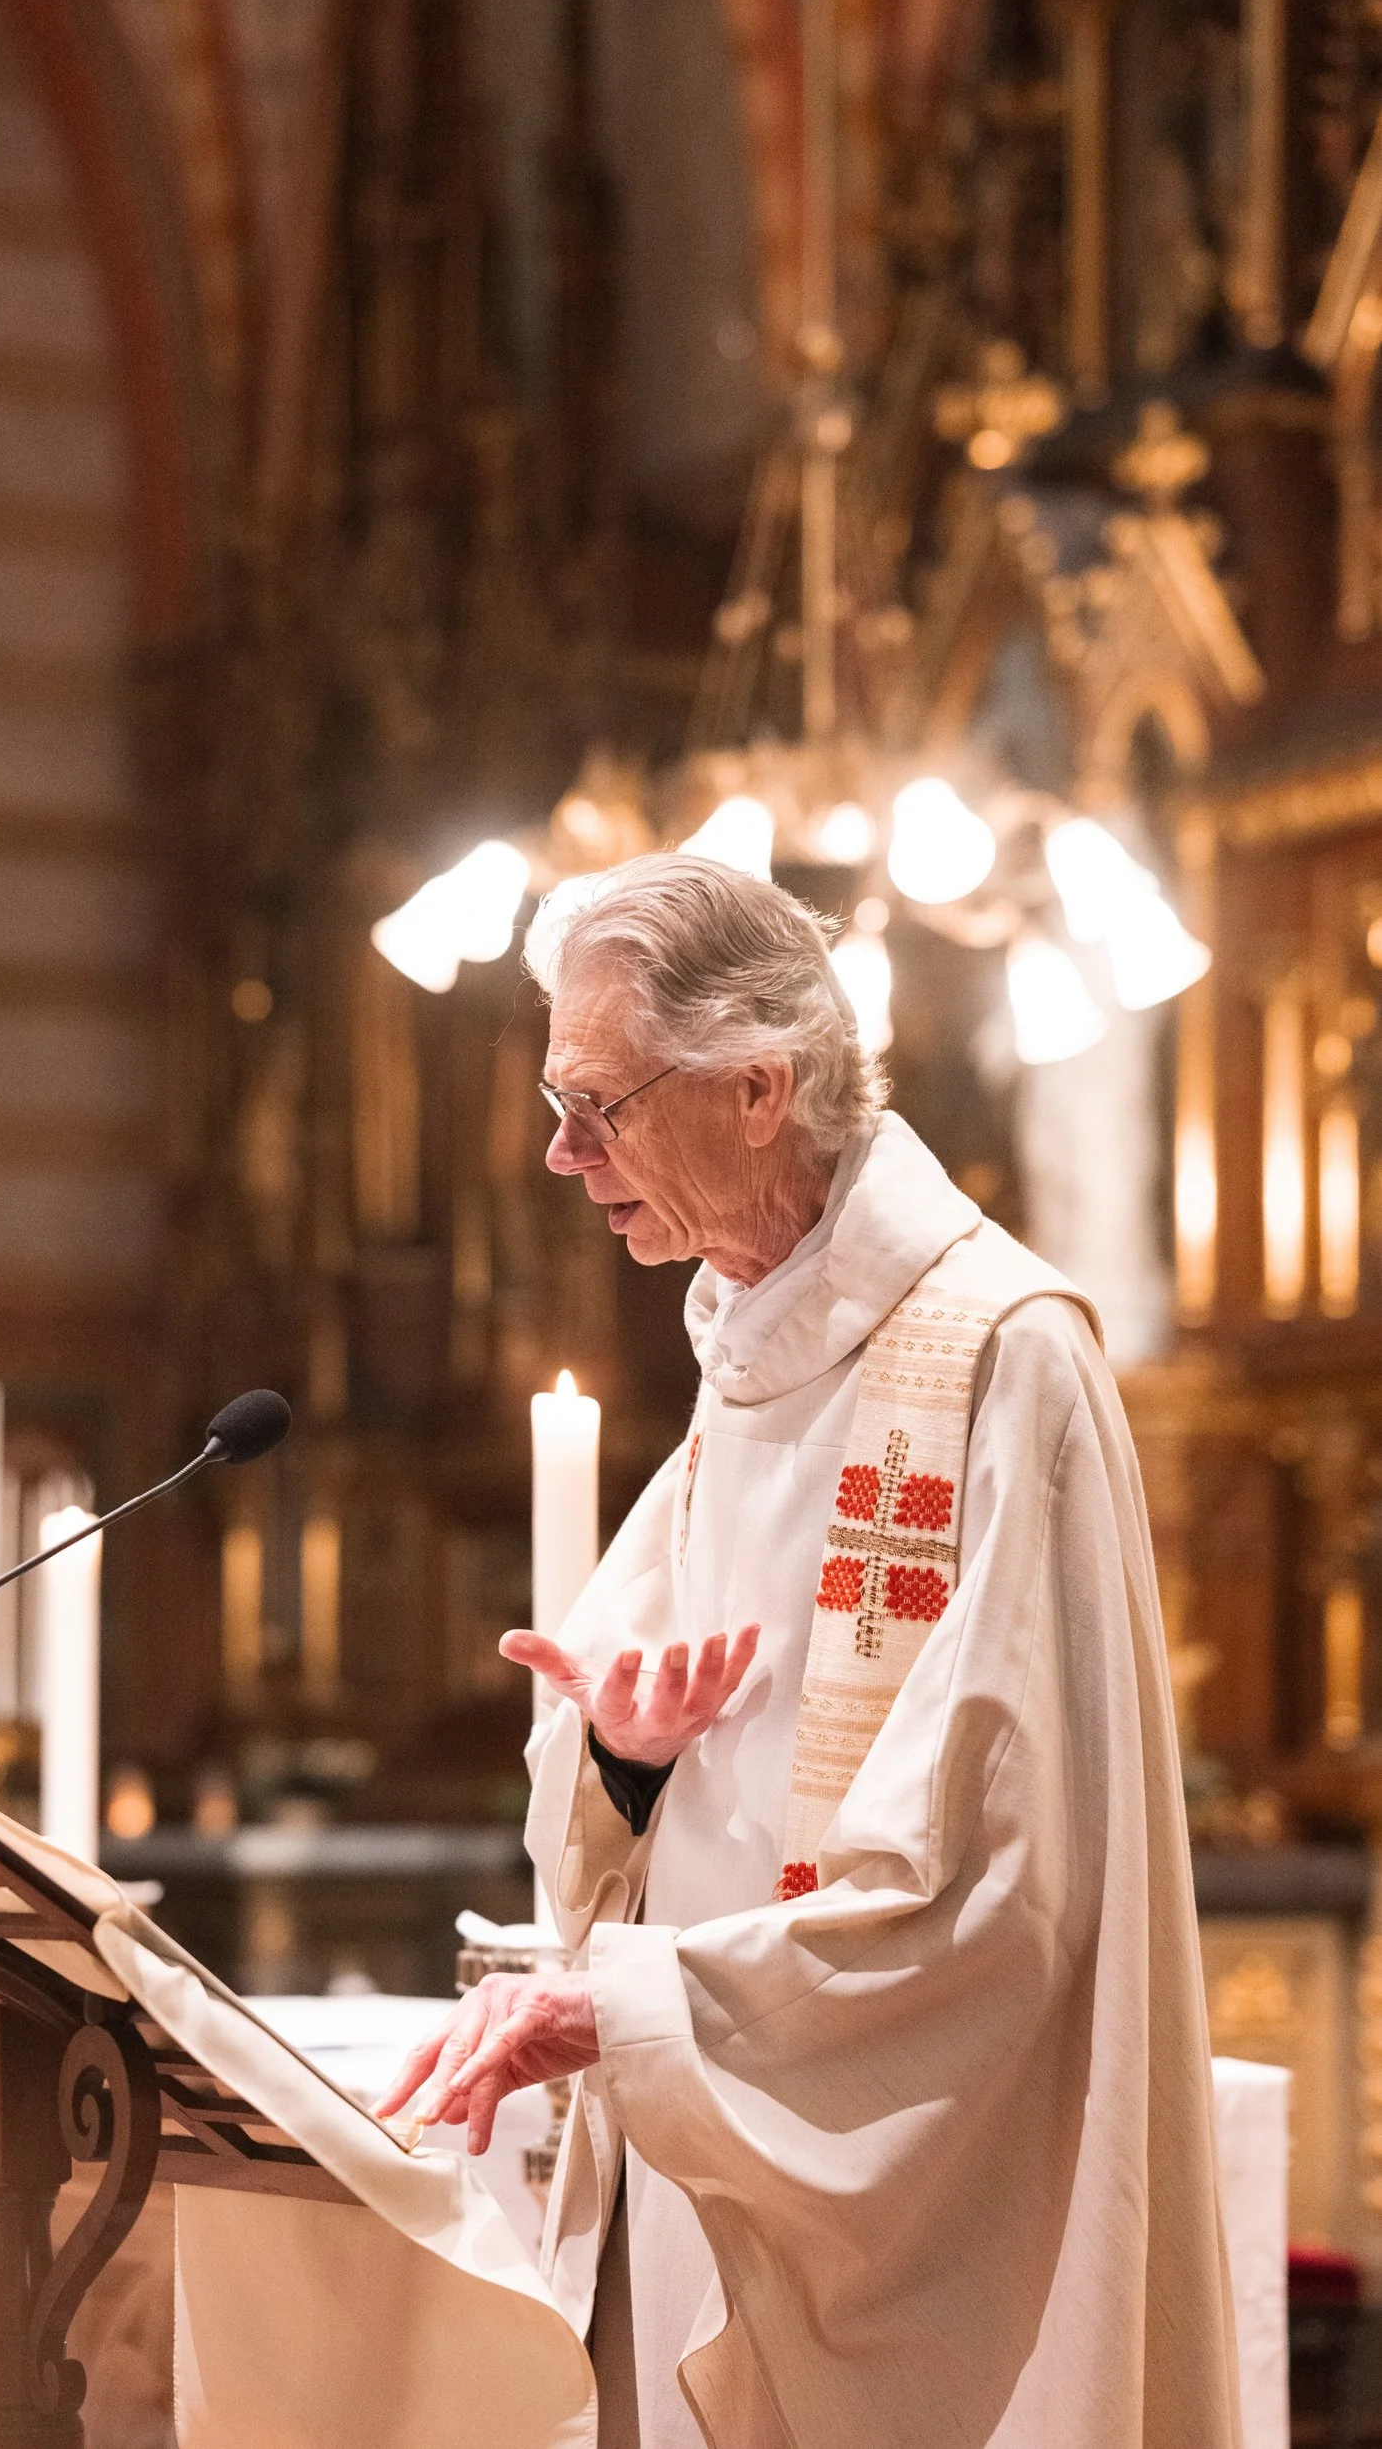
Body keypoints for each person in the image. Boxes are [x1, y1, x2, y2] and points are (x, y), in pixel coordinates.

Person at [378, 853, 1239, 2449]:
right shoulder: (746, 1353)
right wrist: (624, 1763)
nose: (559, 1157)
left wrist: (622, 2013)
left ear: (758, 1088)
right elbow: (637, 1791)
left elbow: (1001, 1884)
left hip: (897, 2177)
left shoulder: (999, 1356)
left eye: (597, 1106)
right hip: (703, 2136)